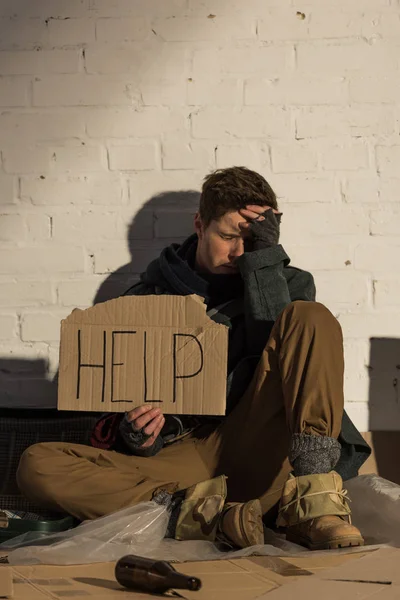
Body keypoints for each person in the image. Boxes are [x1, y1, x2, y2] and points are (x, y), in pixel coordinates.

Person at [17, 167, 370, 551]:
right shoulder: (145, 298)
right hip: (184, 464)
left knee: (310, 316)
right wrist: (137, 434)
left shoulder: (290, 284)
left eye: (251, 240)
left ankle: (314, 508)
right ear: (200, 225)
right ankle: (203, 518)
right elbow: (115, 411)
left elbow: (274, 350)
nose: (238, 252)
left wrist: (264, 260)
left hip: (265, 444)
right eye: (228, 236)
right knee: (37, 463)